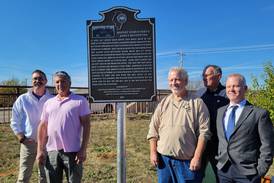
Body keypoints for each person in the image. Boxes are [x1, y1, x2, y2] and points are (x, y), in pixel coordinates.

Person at [147, 67, 211, 183]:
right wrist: (153, 152)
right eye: (171, 80)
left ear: (185, 81)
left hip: (187, 162)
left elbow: (204, 133)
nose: (174, 83)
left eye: (177, 79)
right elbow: (153, 129)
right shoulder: (164, 103)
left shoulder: (197, 103)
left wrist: (197, 157)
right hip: (164, 161)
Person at [215, 74, 274, 183]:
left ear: (245, 89)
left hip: (248, 173)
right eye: (228, 87)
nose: (231, 89)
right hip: (223, 170)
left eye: (236, 86)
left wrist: (260, 171)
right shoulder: (220, 112)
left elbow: (268, 145)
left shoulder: (259, 114)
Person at [36, 71, 91, 183]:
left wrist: (83, 149)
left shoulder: (80, 101)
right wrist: (39, 150)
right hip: (52, 151)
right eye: (57, 82)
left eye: (63, 81)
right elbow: (42, 127)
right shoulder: (49, 103)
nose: (60, 84)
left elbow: (86, 125)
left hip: (73, 152)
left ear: (69, 83)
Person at [10, 69, 52, 183]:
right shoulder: (23, 99)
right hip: (28, 143)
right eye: (35, 78)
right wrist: (21, 137)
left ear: (46, 81)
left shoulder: (52, 99)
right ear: (32, 81)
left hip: (46, 144)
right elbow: (15, 120)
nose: (37, 81)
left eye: (40, 79)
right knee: (24, 175)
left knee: (45, 175)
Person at [196, 65, 229, 181]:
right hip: (200, 142)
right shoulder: (199, 94)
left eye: (207, 75)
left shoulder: (228, 94)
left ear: (218, 76)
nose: (204, 78)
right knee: (196, 174)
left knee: (221, 176)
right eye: (203, 76)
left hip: (219, 144)